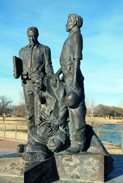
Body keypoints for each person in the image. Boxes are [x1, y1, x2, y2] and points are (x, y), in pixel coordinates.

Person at [54, 14, 86, 154]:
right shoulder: (70, 36)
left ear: (73, 22)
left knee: (75, 109)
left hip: (73, 77)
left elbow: (76, 59)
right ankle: (70, 139)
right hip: (67, 76)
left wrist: (74, 80)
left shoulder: (76, 35)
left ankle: (79, 143)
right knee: (67, 110)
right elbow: (66, 61)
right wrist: (58, 74)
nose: (65, 23)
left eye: (67, 21)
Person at [19, 27, 54, 133]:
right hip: (26, 84)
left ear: (37, 35)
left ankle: (39, 137)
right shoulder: (22, 51)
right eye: (30, 36)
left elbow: (48, 66)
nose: (32, 38)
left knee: (39, 113)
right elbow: (20, 68)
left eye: (34, 36)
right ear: (27, 36)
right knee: (30, 113)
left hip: (39, 84)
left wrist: (52, 80)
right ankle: (31, 139)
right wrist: (18, 74)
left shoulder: (44, 49)